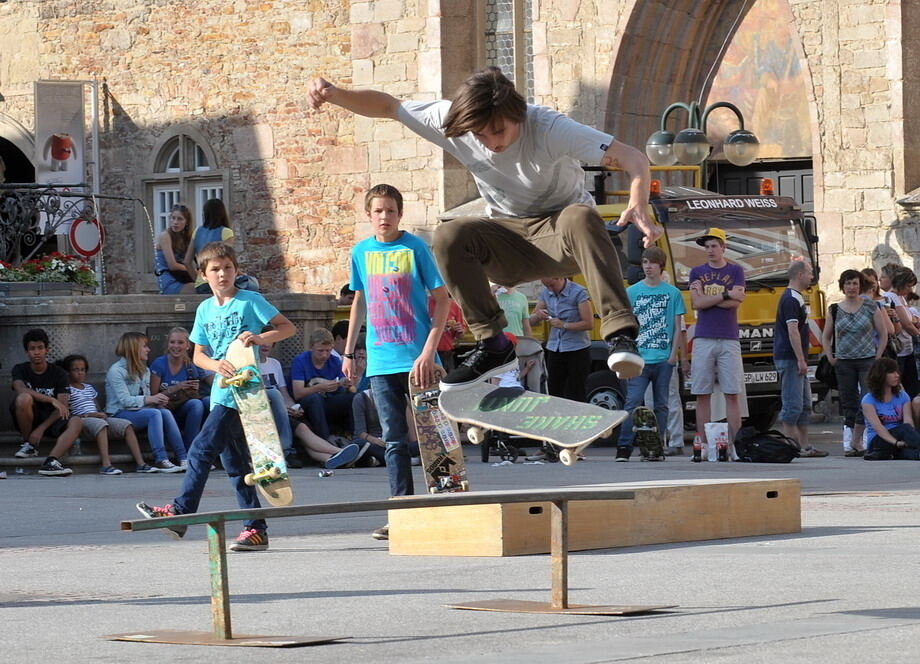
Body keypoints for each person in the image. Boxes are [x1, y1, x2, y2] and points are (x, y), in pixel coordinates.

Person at [308, 67, 658, 392]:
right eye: (480, 135)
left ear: (517, 115)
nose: (491, 142)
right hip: (506, 240)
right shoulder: (454, 123)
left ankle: (621, 335)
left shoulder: (550, 127)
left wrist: (638, 200)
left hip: (560, 237)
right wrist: (336, 94)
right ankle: (493, 344)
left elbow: (633, 158)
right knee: (449, 235)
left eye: (499, 131)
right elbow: (389, 105)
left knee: (580, 215)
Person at [136, 241, 296, 551]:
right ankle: (256, 528)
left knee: (199, 451)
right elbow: (198, 355)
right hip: (221, 392)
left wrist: (260, 337)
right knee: (236, 466)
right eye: (215, 269)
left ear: (236, 270)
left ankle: (180, 513)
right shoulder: (205, 309)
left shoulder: (251, 301)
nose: (222, 274)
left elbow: (286, 327)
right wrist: (214, 364)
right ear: (203, 275)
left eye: (227, 268)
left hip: (245, 393)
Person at [341, 184, 449, 541]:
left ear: (399, 214)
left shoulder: (415, 247)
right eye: (378, 211)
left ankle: (447, 505)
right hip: (382, 359)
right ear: (368, 215)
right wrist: (350, 351)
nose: (384, 217)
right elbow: (359, 300)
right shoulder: (361, 252)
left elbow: (442, 300)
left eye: (390, 210)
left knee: (434, 435)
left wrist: (428, 351)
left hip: (418, 357)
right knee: (393, 439)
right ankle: (401, 510)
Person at [616, 247, 686, 461]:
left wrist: (674, 355)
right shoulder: (632, 292)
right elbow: (626, 325)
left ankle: (657, 445)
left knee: (662, 404)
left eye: (652, 263)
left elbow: (677, 327)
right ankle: (624, 447)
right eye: (645, 262)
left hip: (664, 358)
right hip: (639, 359)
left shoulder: (672, 293)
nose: (648, 266)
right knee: (633, 402)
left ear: (660, 266)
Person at [688, 228, 746, 447]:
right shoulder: (696, 272)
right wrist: (724, 294)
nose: (710, 250)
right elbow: (697, 303)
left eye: (714, 246)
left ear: (723, 247)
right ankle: (702, 444)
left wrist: (707, 298)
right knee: (702, 393)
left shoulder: (736, 270)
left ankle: (736, 444)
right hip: (703, 337)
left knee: (732, 392)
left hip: (729, 337)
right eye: (707, 246)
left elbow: (736, 302)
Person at [822, 269, 889, 456]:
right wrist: (830, 356)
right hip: (844, 362)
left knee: (866, 399)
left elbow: (883, 333)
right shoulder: (834, 309)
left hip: (867, 359)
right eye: (848, 283)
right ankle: (848, 441)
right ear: (842, 286)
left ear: (860, 286)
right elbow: (826, 336)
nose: (852, 287)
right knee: (848, 401)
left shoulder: (870, 306)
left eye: (855, 284)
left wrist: (878, 356)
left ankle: (863, 439)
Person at [105, 332, 187, 473]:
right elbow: (125, 401)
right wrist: (150, 399)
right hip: (118, 413)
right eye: (144, 346)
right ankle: (161, 459)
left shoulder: (145, 370)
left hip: (138, 411)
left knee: (164, 412)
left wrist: (157, 400)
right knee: (153, 414)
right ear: (133, 349)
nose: (148, 350)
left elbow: (146, 397)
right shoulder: (116, 371)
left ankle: (184, 458)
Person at [773, 261, 829, 457]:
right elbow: (793, 331)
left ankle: (805, 446)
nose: (811, 277)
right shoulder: (790, 299)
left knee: (805, 404)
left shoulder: (797, 297)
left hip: (796, 358)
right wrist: (800, 359)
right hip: (790, 359)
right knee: (792, 404)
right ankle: (792, 447)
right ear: (799, 275)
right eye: (809, 273)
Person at [59, 354, 149, 474]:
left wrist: (101, 413)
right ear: (67, 372)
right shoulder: (66, 389)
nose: (80, 373)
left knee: (126, 425)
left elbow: (97, 407)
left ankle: (141, 464)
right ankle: (106, 465)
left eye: (82, 370)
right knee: (101, 424)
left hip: (96, 417)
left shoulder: (89, 388)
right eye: (75, 370)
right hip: (82, 420)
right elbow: (69, 415)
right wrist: (91, 415)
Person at [11, 328, 82, 476]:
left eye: (40, 348)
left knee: (76, 421)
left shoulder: (59, 373)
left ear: (47, 350)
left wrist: (41, 429)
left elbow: (62, 406)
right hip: (30, 417)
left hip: (51, 420)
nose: (36, 352)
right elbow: (20, 389)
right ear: (26, 352)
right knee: (24, 398)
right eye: (32, 349)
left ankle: (51, 461)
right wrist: (51, 399)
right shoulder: (20, 369)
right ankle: (29, 444)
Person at [291, 328, 359, 446]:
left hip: (330, 401)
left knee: (355, 397)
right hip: (307, 404)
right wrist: (320, 387)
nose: (324, 355)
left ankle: (355, 437)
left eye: (328, 351)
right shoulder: (300, 361)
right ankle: (325, 440)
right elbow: (298, 393)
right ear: (311, 347)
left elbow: (351, 388)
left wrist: (347, 384)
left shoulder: (335, 361)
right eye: (320, 351)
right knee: (315, 399)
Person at [530, 277, 593, 402]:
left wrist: (564, 325)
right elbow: (531, 321)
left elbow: (589, 324)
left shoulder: (579, 292)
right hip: (555, 348)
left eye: (551, 285)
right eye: (546, 286)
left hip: (577, 348)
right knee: (553, 391)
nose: (550, 289)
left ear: (560, 278)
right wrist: (538, 315)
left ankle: (578, 419)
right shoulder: (546, 293)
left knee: (576, 391)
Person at [149, 327, 211, 450]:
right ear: (167, 344)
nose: (175, 346)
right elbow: (153, 395)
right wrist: (177, 387)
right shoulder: (159, 363)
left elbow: (193, 395)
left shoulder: (190, 366)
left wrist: (193, 389)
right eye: (172, 342)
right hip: (164, 408)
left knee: (197, 403)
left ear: (188, 346)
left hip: (182, 408)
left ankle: (193, 450)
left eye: (180, 342)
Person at [190, 198, 259, 294]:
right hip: (219, 283)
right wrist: (241, 273)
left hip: (201, 285)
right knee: (252, 284)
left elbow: (187, 261)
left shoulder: (197, 231)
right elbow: (227, 259)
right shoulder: (226, 232)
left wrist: (198, 278)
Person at [861, 357, 920, 460]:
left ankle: (893, 454)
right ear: (881, 375)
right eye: (892, 372)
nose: (897, 375)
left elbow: (908, 420)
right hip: (878, 441)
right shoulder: (868, 400)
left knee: (912, 454)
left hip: (899, 440)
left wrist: (906, 440)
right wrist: (896, 443)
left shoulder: (903, 396)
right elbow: (878, 428)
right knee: (904, 428)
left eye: (897, 371)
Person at [886, 267, 920, 396]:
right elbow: (906, 324)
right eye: (908, 286)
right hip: (899, 352)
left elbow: (911, 319)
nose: (910, 290)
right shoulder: (891, 297)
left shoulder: (901, 298)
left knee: (912, 387)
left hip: (907, 349)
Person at [154, 204, 196, 294]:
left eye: (180, 219)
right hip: (168, 280)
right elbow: (172, 265)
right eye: (173, 218)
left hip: (182, 278)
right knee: (200, 290)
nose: (175, 222)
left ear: (187, 222)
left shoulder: (186, 238)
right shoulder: (165, 236)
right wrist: (193, 271)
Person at [429, 294, 466, 371]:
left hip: (446, 353)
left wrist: (459, 331)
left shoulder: (453, 304)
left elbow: (461, 335)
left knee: (447, 380)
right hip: (428, 352)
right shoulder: (424, 303)